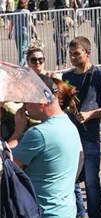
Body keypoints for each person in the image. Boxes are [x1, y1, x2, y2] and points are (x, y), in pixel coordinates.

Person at [6, 74, 82, 218]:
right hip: (65, 210)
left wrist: (17, 131)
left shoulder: (38, 134)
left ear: (41, 102)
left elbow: (7, 167)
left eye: (27, 101)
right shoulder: (69, 125)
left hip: (43, 212)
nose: (25, 107)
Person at [62, 37, 101, 218]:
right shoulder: (67, 77)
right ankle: (77, 213)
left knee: (92, 182)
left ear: (88, 53)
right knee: (71, 181)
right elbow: (62, 104)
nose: (73, 57)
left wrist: (90, 114)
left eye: (76, 54)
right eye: (70, 54)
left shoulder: (100, 75)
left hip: (90, 136)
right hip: (70, 136)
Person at [10, 0, 36, 67]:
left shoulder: (15, 11)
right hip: (24, 32)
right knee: (23, 50)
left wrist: (10, 32)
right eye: (25, 3)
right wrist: (35, 32)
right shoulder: (26, 12)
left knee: (21, 50)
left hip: (17, 33)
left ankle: (23, 64)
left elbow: (12, 22)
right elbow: (30, 23)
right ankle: (22, 65)